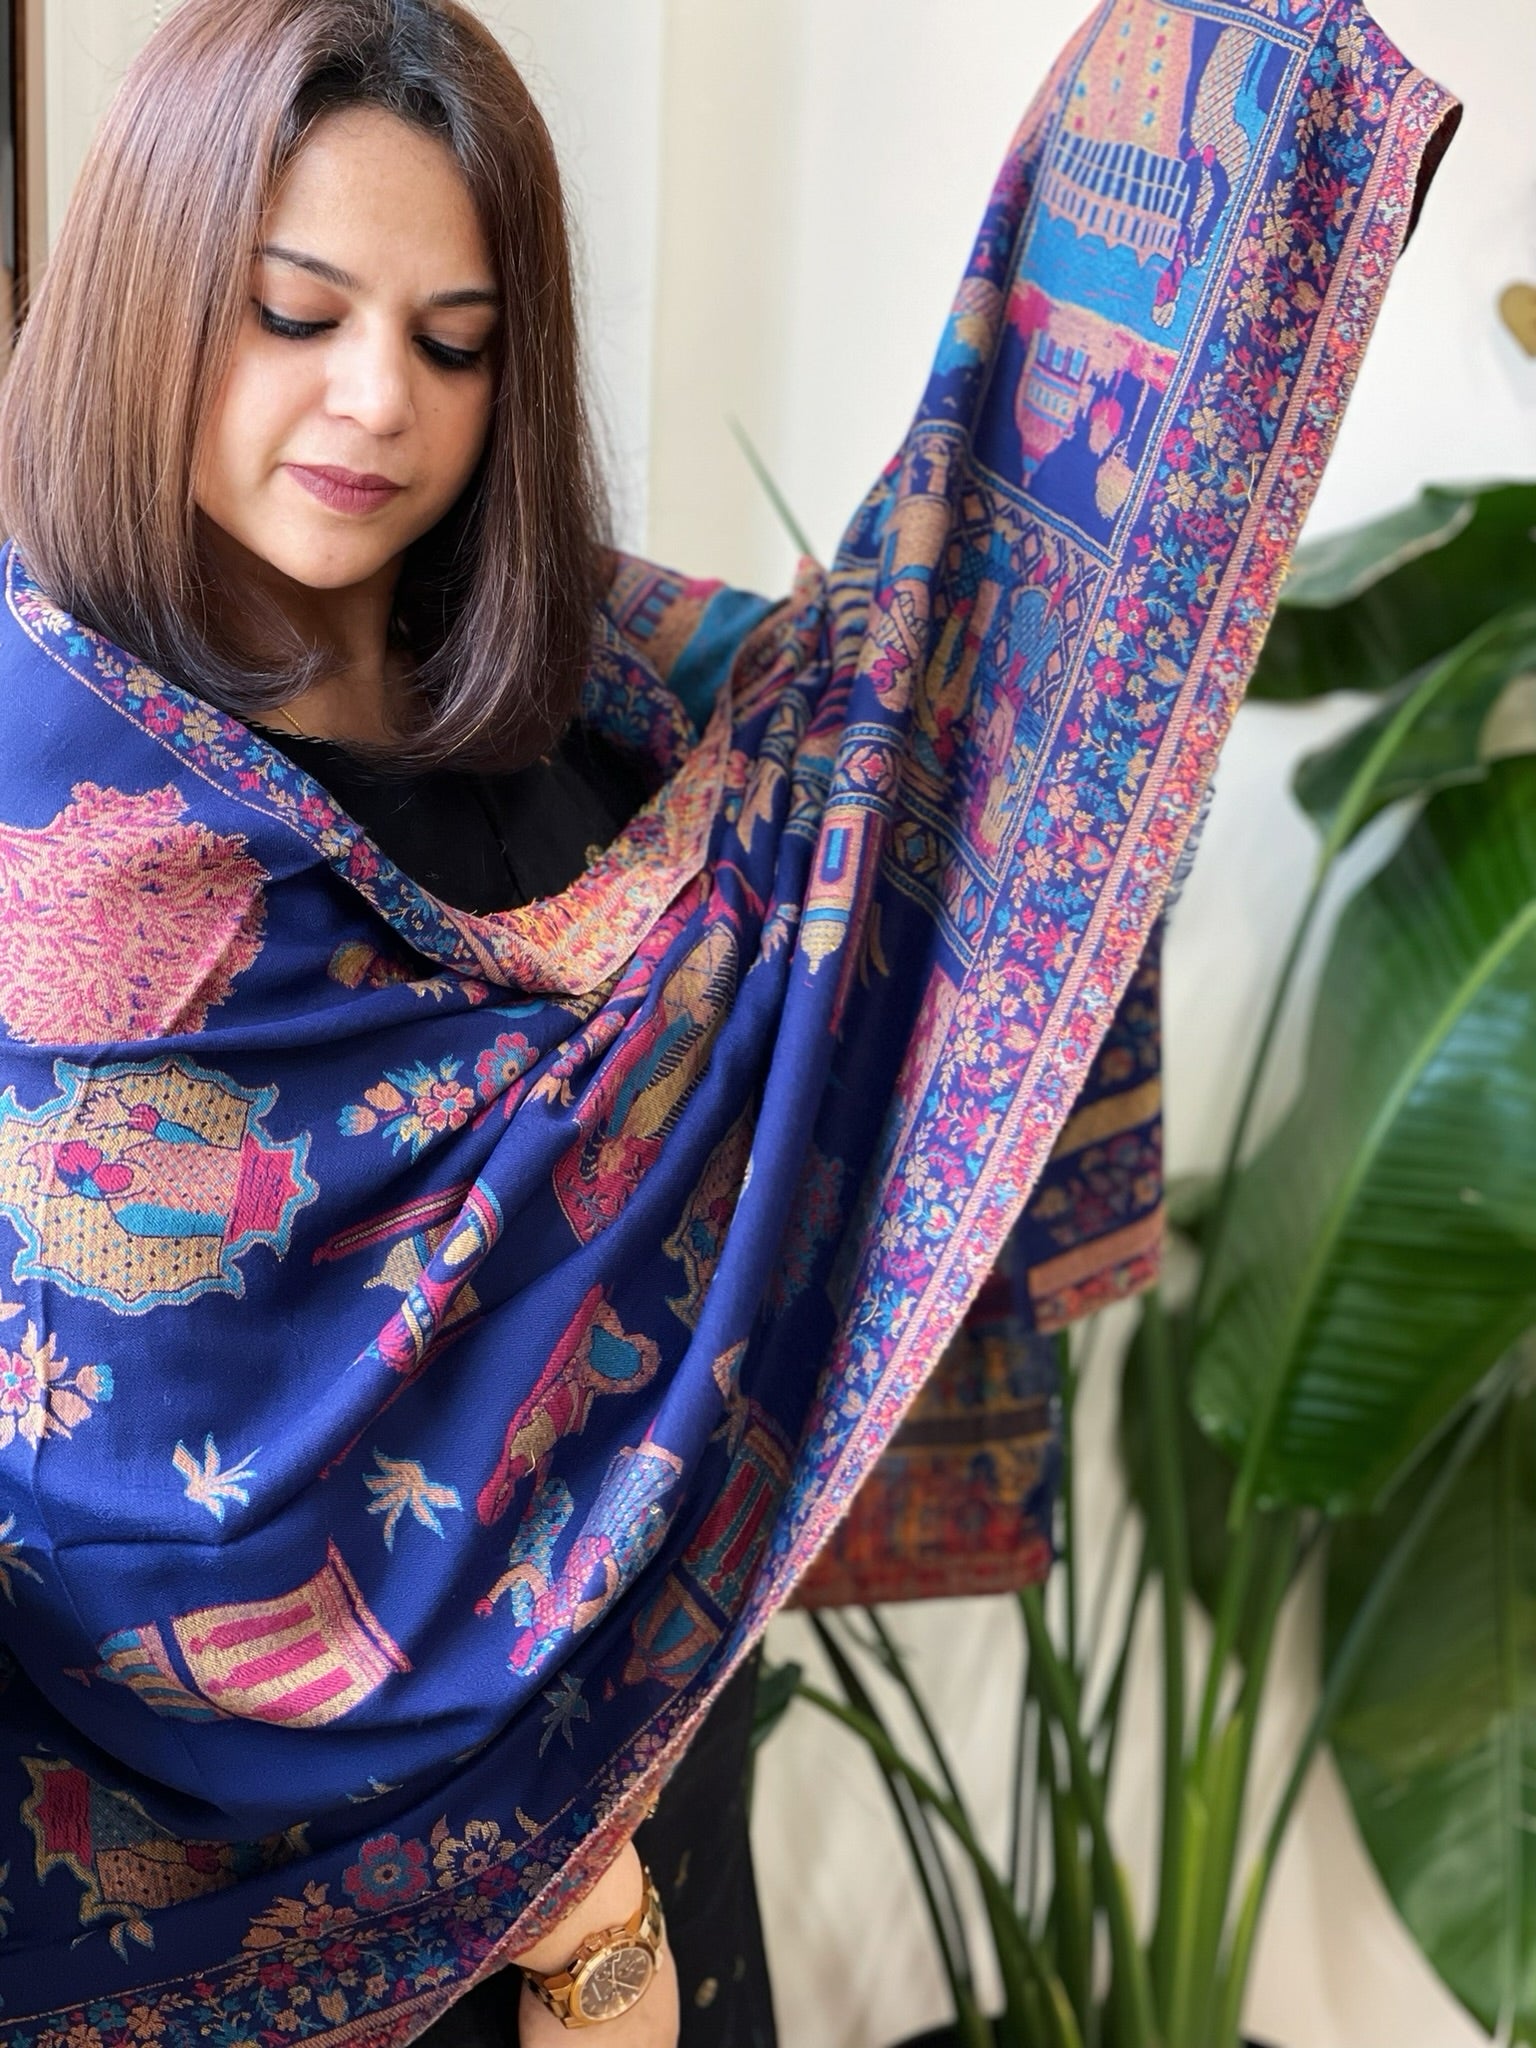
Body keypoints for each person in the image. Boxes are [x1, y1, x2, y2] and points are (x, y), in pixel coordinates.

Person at [0, 1, 1454, 2042]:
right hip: (259, 1926)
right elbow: (107, 1483)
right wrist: (570, 1909)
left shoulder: (596, 696)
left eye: (454, 343)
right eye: (293, 312)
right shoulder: (54, 798)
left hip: (650, 1798)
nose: (375, 402)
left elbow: (917, 763)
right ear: (151, 286)